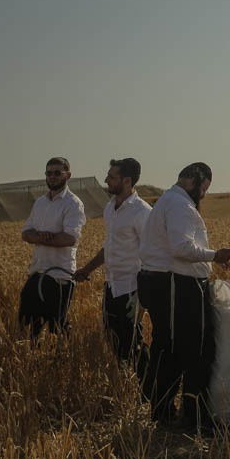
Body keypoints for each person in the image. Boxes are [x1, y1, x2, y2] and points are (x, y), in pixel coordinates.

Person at [137, 162, 230, 431]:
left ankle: (164, 411)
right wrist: (215, 255)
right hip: (175, 284)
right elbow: (181, 247)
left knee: (168, 348)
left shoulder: (169, 201)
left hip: (166, 282)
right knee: (194, 350)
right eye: (203, 188)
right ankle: (194, 417)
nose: (203, 194)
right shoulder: (179, 205)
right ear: (194, 180)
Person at [75, 158, 152, 387]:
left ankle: (148, 392)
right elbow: (109, 247)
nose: (107, 180)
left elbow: (151, 253)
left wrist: (144, 295)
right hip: (112, 284)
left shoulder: (142, 212)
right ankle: (128, 387)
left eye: (112, 176)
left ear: (127, 180)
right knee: (113, 338)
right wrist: (87, 269)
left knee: (133, 341)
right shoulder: (110, 208)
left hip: (132, 287)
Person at [19, 157, 87, 338]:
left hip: (60, 276)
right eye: (49, 173)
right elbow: (25, 233)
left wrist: (39, 237)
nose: (52, 177)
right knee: (26, 326)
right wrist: (45, 237)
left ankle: (62, 363)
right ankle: (33, 364)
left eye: (58, 173)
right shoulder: (40, 202)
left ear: (68, 175)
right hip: (37, 272)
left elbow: (69, 238)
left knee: (56, 330)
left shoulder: (73, 204)